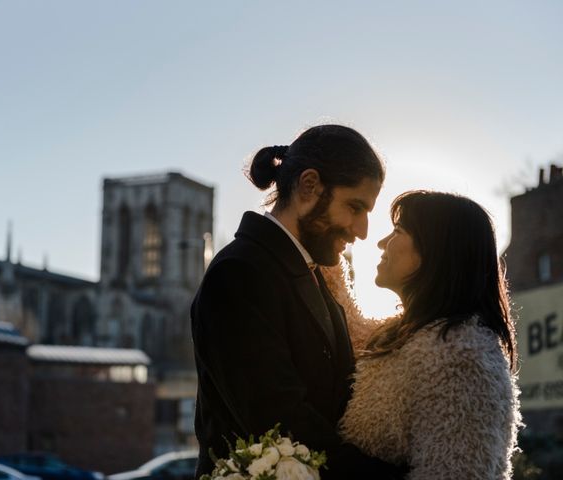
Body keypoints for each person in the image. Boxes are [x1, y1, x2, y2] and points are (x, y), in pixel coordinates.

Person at [191, 124, 405, 479]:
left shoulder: (310, 274)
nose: (362, 231)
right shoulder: (239, 273)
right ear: (309, 186)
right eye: (354, 206)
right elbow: (282, 425)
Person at [333, 190, 521, 480]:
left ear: (435, 250)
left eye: (397, 231)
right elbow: (354, 329)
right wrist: (325, 259)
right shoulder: (420, 335)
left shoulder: (461, 356)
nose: (382, 243)